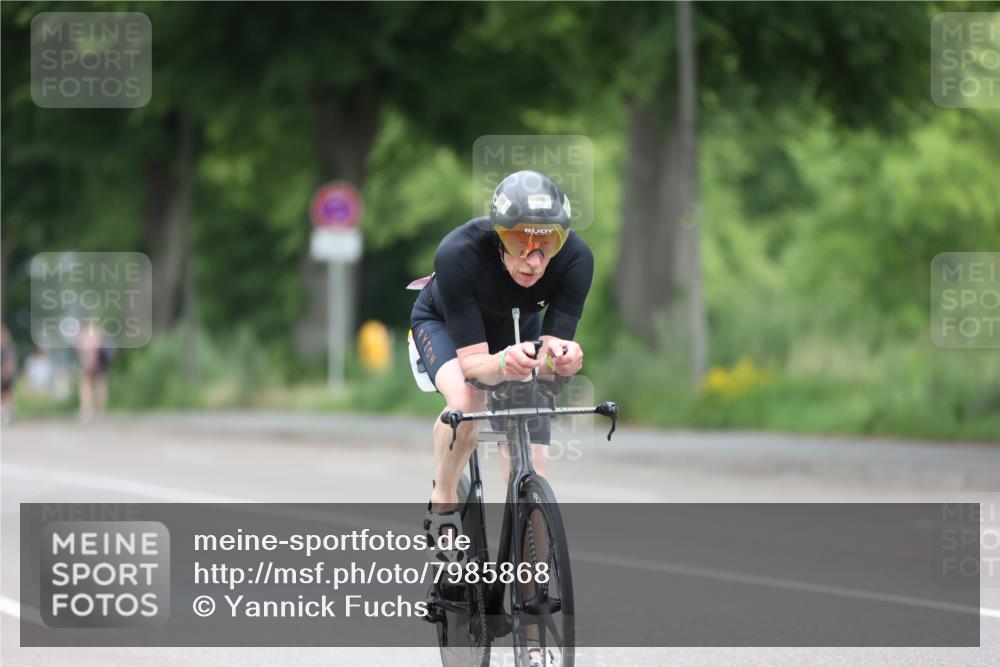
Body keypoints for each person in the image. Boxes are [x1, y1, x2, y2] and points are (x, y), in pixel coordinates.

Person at [410, 170, 593, 563]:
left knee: (533, 454)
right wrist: (503, 362)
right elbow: (475, 364)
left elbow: (548, 357)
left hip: (514, 329)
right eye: (519, 242)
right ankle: (442, 501)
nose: (534, 260)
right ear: (498, 236)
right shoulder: (458, 252)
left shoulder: (576, 260)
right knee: (468, 399)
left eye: (548, 244)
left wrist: (563, 360)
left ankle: (531, 580)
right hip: (445, 325)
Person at [75, 322, 114, 422]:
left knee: (87, 385)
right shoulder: (98, 333)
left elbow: (83, 350)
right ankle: (99, 410)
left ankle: (88, 409)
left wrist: (89, 362)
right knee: (99, 384)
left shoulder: (87, 334)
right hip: (99, 364)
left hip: (93, 363)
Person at [1, 325, 17, 426]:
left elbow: (10, 363)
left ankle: (8, 415)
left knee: (7, 395)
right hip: (4, 374)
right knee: (5, 396)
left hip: (6, 375)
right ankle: (5, 415)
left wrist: (7, 372)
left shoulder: (8, 349)